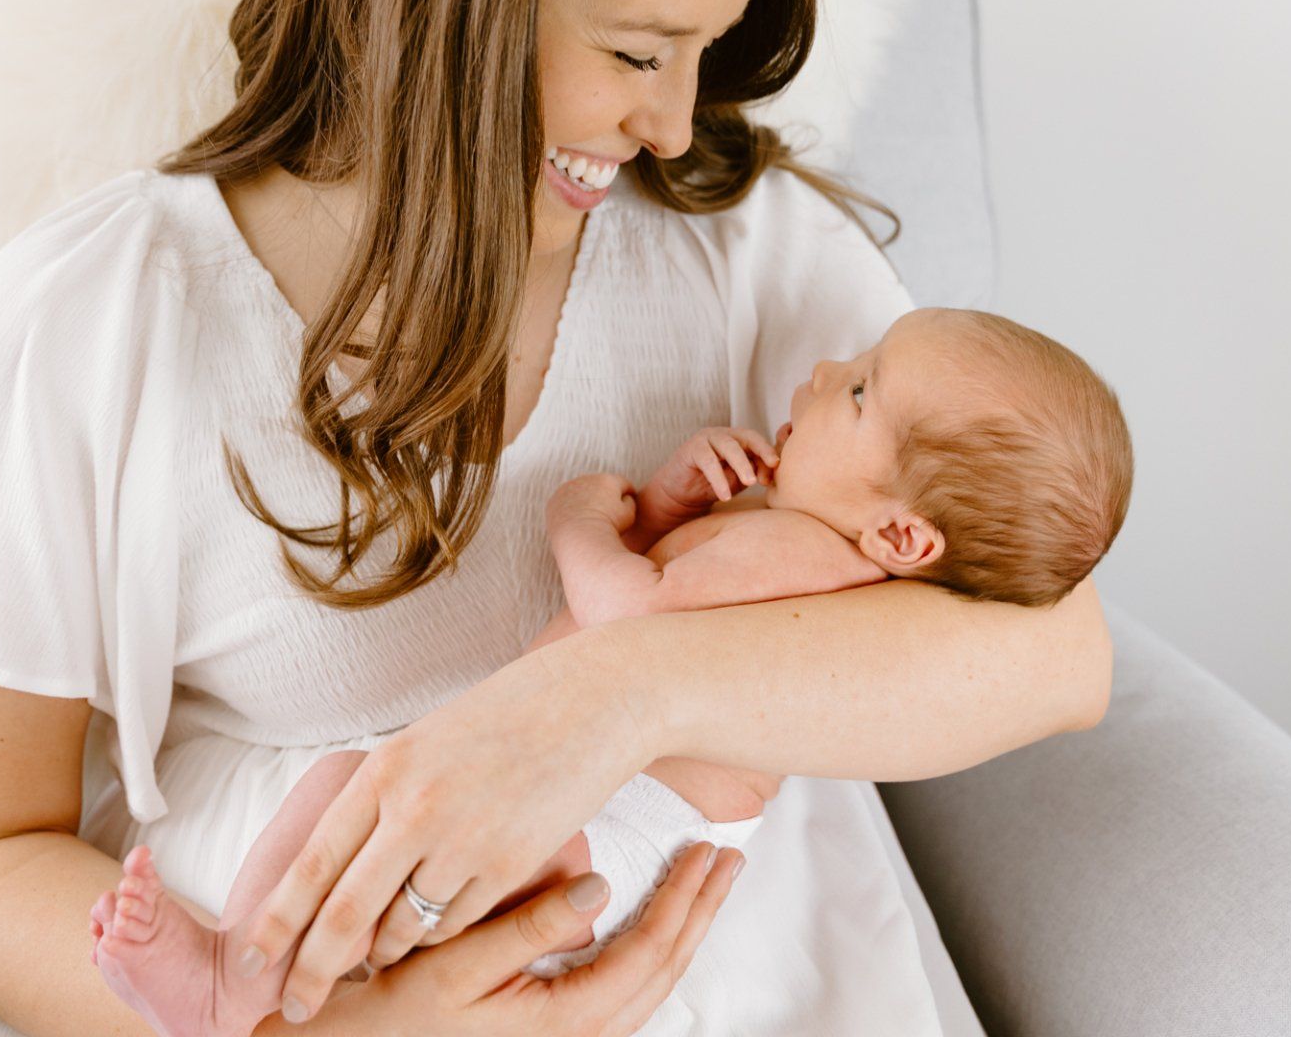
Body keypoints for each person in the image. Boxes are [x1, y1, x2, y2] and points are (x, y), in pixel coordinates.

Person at [0, 0, 1114, 1034]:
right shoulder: (93, 316)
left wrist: (610, 699)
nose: (673, 124)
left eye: (703, 53)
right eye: (637, 50)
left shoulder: (748, 251)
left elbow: (1057, 651)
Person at [82, 306, 1132, 1035]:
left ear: (902, 535)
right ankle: (238, 977)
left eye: (858, 389)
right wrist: (673, 505)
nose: (822, 372)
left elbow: (638, 618)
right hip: (604, 818)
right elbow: (682, 588)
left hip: (620, 835)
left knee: (370, 811)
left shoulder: (802, 552)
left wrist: (578, 519)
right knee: (352, 794)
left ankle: (239, 976)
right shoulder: (804, 541)